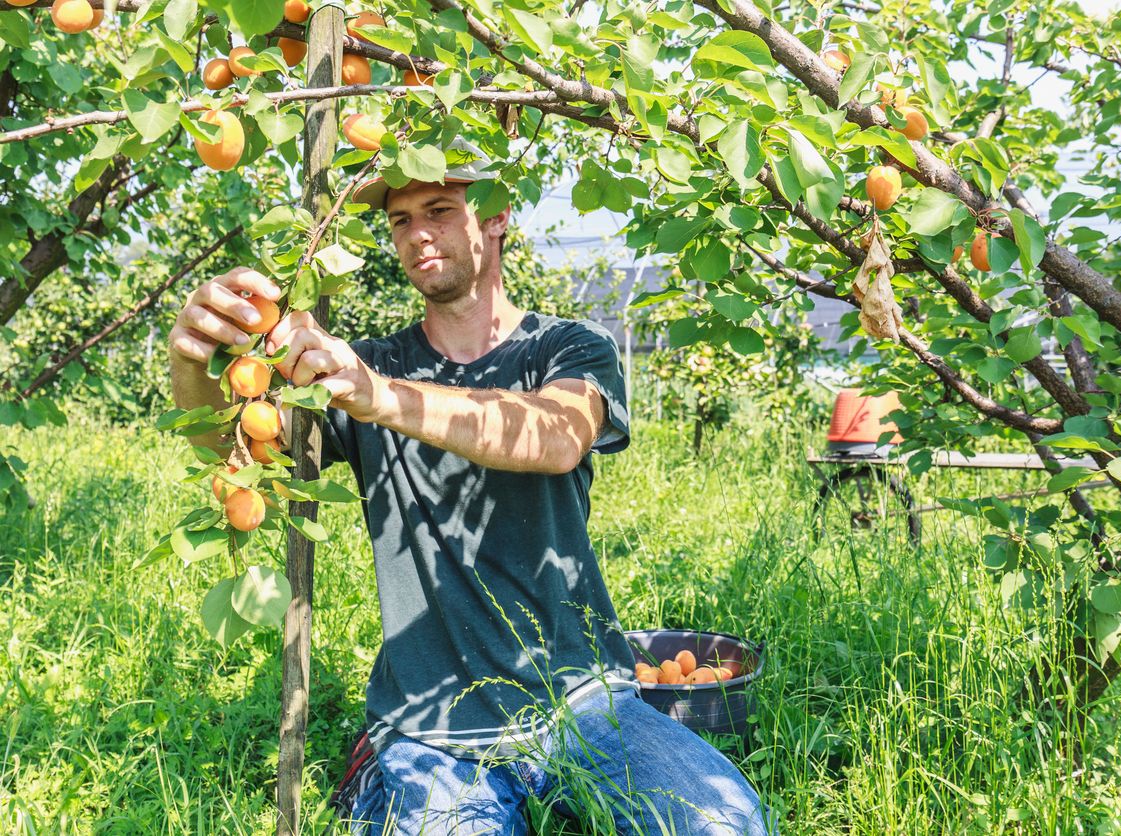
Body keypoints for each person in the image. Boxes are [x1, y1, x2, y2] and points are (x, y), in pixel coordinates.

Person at [167, 139, 773, 835]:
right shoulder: (363, 365)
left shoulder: (565, 348)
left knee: (724, 824)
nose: (417, 231)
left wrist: (378, 398)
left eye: (440, 209)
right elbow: (244, 457)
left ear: (496, 217)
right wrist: (194, 359)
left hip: (580, 698)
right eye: (400, 220)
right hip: (431, 724)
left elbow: (552, 436)